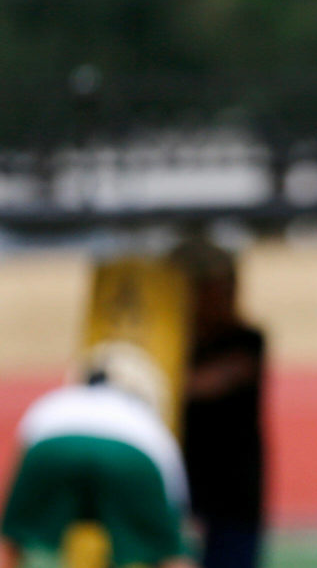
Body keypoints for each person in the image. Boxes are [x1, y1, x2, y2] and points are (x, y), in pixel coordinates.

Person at [0, 341, 195, 568]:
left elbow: (24, 454)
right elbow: (175, 501)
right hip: (134, 456)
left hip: (50, 445)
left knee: (17, 539)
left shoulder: (55, 404)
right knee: (168, 550)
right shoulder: (150, 426)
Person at [170, 239, 265, 568]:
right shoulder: (174, 344)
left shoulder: (246, 341)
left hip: (233, 488)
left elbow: (209, 383)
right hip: (185, 482)